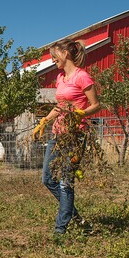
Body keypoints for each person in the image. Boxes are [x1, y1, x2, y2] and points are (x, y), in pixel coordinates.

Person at [32, 38, 101, 235]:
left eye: (55, 56)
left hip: (75, 135)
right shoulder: (60, 78)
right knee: (48, 179)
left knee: (65, 181)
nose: (53, 60)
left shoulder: (83, 77)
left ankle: (60, 229)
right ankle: (74, 216)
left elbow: (96, 105)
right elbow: (60, 106)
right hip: (57, 134)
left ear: (65, 54)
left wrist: (82, 113)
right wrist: (44, 121)